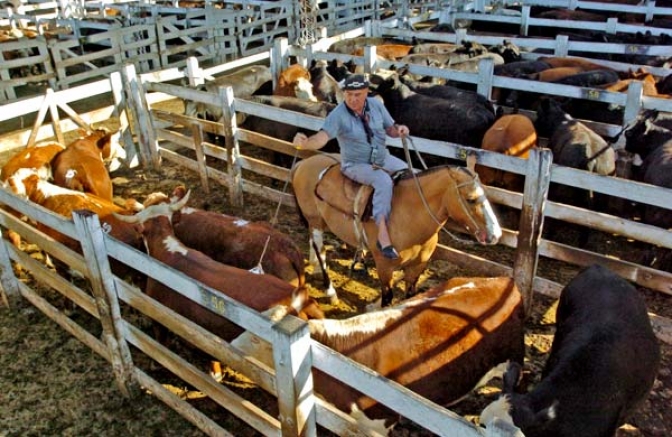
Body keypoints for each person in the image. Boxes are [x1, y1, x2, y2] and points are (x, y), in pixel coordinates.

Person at [293, 74, 410, 260]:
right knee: (383, 181)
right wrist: (306, 143)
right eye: (349, 94)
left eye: (358, 94)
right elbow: (322, 136)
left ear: (366, 93)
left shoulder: (377, 106)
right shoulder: (338, 115)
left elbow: (390, 129)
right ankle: (382, 234)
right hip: (356, 164)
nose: (353, 99)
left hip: (382, 158)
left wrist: (399, 130)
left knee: (411, 175)